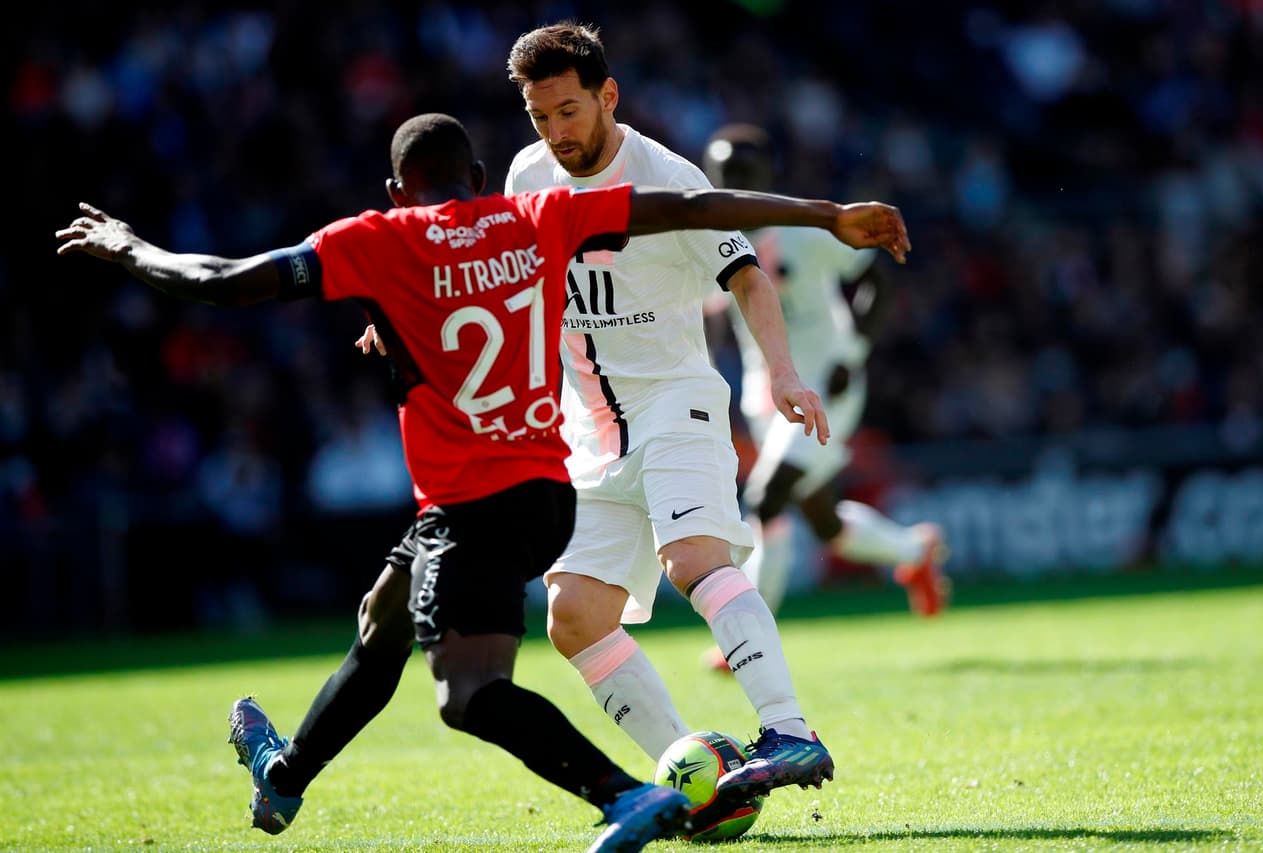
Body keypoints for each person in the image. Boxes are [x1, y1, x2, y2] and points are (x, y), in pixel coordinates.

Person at [55, 113, 910, 850]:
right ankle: (285, 774)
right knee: (392, 621)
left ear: (397, 189)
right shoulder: (531, 218)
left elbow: (223, 281)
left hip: (472, 499)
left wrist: (128, 247)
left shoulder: (378, 242)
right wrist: (826, 213)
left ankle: (636, 790)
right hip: (549, 482)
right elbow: (694, 211)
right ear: (477, 176)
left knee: (470, 694)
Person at [500, 21, 903, 798]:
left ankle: (791, 731)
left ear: (607, 95)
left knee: (692, 559)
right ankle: (692, 777)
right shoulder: (526, 176)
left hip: (673, 403)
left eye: (568, 112)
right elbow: (505, 273)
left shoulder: (663, 174)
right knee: (573, 615)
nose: (555, 132)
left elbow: (747, 272)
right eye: (540, 117)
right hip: (585, 428)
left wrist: (783, 372)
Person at [698, 124, 949, 658]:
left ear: (769, 176)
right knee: (823, 520)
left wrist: (851, 354)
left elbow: (877, 281)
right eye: (724, 174)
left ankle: (747, 643)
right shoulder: (708, 238)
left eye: (743, 173)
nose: (733, 183)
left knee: (767, 498)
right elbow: (715, 312)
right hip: (766, 396)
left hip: (826, 385)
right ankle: (914, 548)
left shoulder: (805, 232)